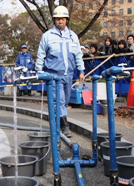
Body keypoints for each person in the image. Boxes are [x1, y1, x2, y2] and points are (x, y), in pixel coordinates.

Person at [35, 5, 85, 138]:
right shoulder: (47, 36)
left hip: (68, 74)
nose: (60, 21)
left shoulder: (73, 36)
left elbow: (78, 55)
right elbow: (41, 54)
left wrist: (81, 70)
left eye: (62, 19)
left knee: (65, 100)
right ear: (54, 20)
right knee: (59, 101)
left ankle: (57, 123)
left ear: (66, 20)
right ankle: (64, 126)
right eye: (57, 19)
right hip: (53, 74)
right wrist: (39, 71)